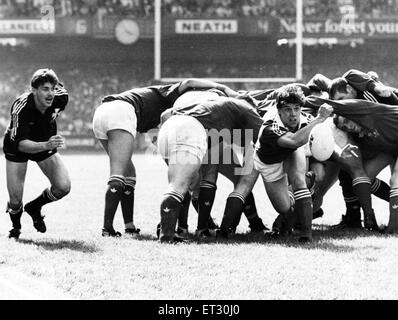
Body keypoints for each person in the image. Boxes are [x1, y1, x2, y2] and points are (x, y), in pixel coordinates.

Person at [92, 78, 238, 237]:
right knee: (119, 173)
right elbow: (189, 82)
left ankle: (130, 227)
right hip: (121, 112)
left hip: (101, 113)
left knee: (128, 174)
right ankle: (107, 229)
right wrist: (221, 87)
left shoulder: (157, 110)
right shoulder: (170, 95)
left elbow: (158, 139)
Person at [157, 95, 263, 242]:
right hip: (190, 130)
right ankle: (171, 235)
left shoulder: (210, 105)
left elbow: (165, 115)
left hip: (168, 129)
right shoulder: (246, 109)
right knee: (183, 184)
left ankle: (177, 227)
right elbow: (266, 137)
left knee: (185, 183)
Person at [253, 84, 333, 242]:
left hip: (292, 152)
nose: (293, 114)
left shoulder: (306, 120)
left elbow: (320, 140)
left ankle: (306, 236)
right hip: (270, 163)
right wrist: (319, 119)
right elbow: (294, 140)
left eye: (297, 108)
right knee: (284, 207)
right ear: (279, 110)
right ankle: (309, 180)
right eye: (287, 109)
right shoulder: (270, 127)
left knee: (298, 181)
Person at [3, 68, 70, 239]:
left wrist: (46, 144)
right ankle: (16, 226)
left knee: (63, 187)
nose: (50, 94)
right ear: (33, 90)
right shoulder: (22, 106)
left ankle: (34, 207)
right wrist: (47, 144)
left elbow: (59, 88)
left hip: (43, 139)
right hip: (18, 146)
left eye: (52, 89)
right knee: (16, 200)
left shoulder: (61, 98)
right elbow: (22, 144)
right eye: (45, 89)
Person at [328, 69, 394, 228]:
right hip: (384, 143)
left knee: (395, 179)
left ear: (351, 89)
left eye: (342, 99)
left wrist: (375, 85)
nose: (341, 104)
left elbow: (351, 74)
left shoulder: (368, 100)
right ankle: (356, 216)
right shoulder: (350, 110)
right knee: (354, 172)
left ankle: (391, 220)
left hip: (391, 136)